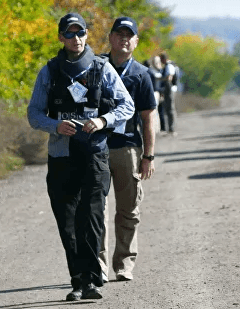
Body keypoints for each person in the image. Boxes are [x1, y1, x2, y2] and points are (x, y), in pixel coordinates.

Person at [27, 12, 135, 301]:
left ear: (87, 35)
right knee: (68, 220)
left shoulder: (102, 69)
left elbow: (127, 106)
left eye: (81, 33)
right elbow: (34, 114)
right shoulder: (49, 71)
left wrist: (103, 121)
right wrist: (54, 125)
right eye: (70, 34)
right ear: (61, 37)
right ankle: (77, 280)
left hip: (95, 154)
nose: (76, 39)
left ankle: (92, 280)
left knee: (92, 216)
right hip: (61, 155)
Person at [99, 17, 157, 282]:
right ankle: (96, 267)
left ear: (135, 41)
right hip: (95, 147)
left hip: (128, 149)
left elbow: (148, 118)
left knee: (128, 210)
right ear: (110, 37)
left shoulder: (141, 74)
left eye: (129, 35)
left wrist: (148, 156)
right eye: (118, 34)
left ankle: (123, 264)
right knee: (94, 209)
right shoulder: (95, 67)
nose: (123, 39)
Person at [158, 52, 177, 135]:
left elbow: (169, 77)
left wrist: (160, 79)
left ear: (163, 59)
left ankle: (172, 129)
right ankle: (170, 128)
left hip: (170, 89)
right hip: (167, 89)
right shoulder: (166, 66)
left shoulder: (169, 66)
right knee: (168, 109)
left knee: (170, 109)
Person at [147, 55, 165, 133]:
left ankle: (157, 128)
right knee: (154, 111)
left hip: (157, 92)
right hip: (153, 93)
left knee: (156, 111)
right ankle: (155, 128)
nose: (158, 64)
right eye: (156, 62)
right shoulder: (151, 71)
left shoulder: (158, 71)